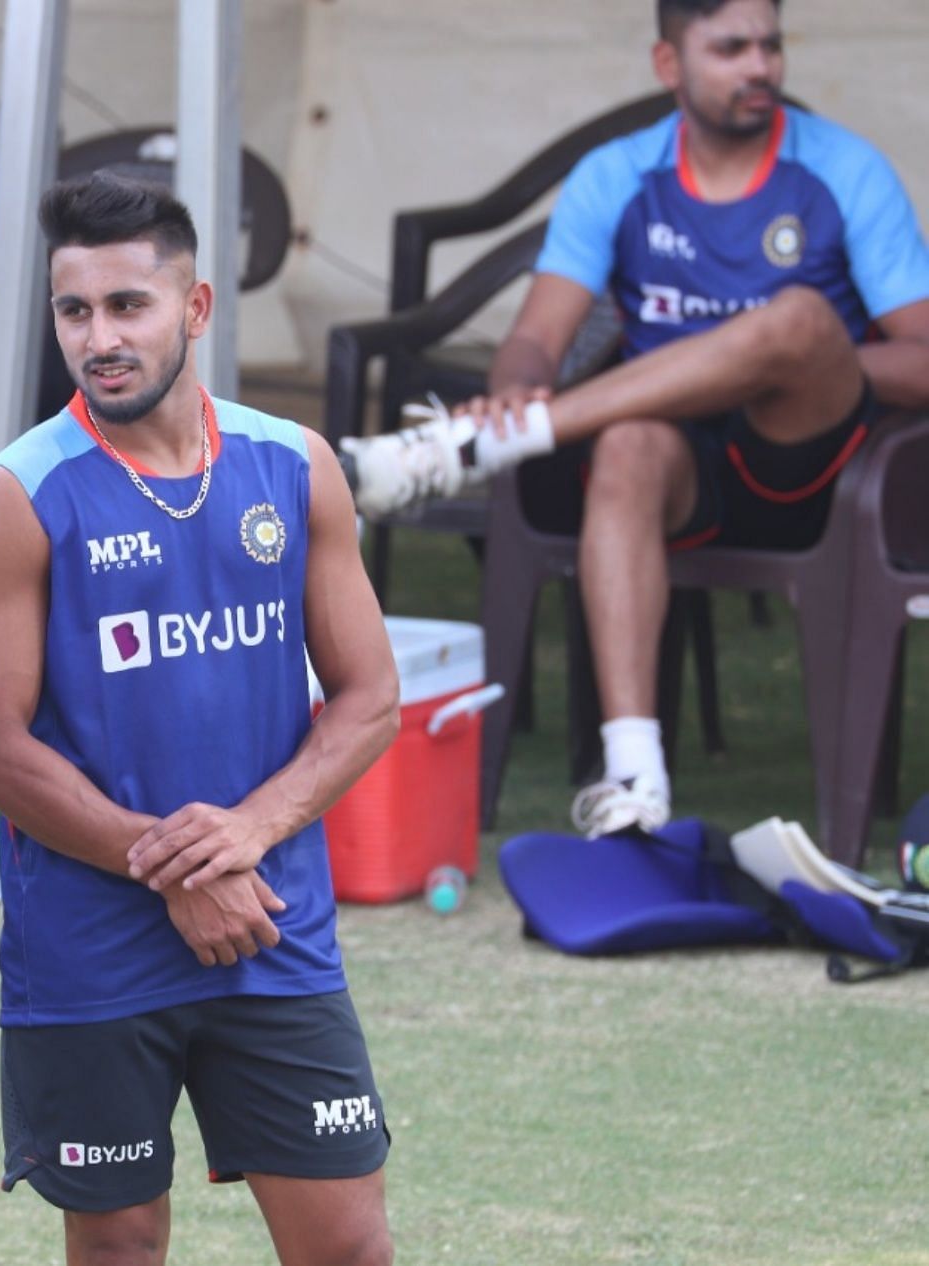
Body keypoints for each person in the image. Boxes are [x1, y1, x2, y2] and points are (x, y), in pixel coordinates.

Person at [0, 172, 400, 1266]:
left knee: (348, 1247)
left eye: (127, 306)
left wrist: (245, 837)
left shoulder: (292, 467)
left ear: (194, 310)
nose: (98, 337)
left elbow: (369, 697)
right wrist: (181, 867)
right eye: (74, 311)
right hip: (91, 952)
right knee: (119, 1251)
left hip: (270, 926)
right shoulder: (16, 496)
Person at [340, 0, 929, 837]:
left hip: (810, 461)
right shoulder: (620, 175)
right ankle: (634, 781)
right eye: (729, 48)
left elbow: (924, 356)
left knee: (795, 319)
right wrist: (515, 387)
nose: (759, 67)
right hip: (678, 465)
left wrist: (786, 358)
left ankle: (473, 451)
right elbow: (534, 343)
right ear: (668, 65)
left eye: (770, 45)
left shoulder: (844, 171)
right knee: (622, 446)